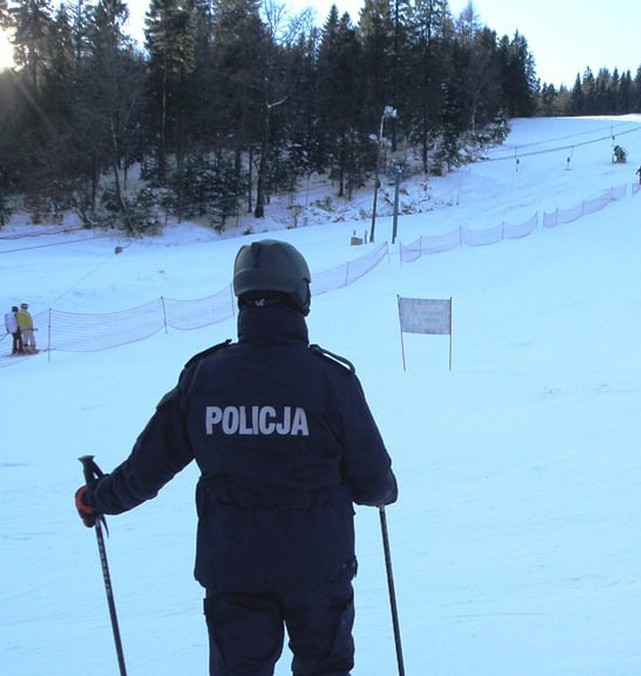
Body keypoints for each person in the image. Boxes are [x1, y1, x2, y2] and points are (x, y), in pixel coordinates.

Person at [73, 239, 398, 676]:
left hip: (234, 567)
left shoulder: (205, 377)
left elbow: (148, 467)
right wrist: (383, 490)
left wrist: (100, 497)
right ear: (301, 295)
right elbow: (374, 483)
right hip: (317, 567)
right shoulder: (330, 381)